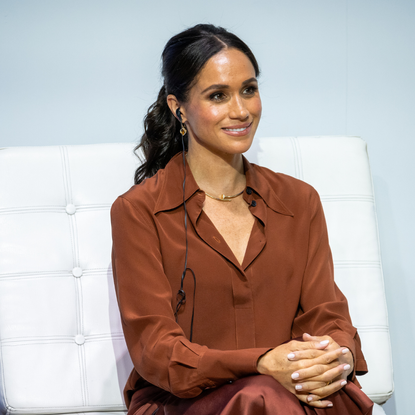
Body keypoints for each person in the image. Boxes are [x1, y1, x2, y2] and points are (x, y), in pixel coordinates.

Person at [110, 24, 373, 415]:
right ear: (177, 106)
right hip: (185, 402)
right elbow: (157, 350)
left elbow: (327, 314)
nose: (241, 110)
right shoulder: (139, 211)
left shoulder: (299, 201)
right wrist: (261, 363)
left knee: (321, 396)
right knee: (260, 397)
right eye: (218, 95)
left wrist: (338, 356)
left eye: (249, 89)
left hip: (292, 393)